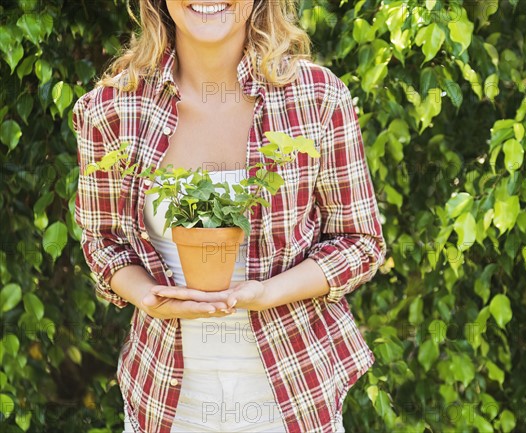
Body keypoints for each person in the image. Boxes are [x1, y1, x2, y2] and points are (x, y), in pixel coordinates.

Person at [72, 1, 386, 432]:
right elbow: (102, 241)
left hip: (295, 404)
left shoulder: (317, 97)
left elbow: (360, 241)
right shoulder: (111, 109)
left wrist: (266, 292)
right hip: (165, 407)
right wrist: (147, 296)